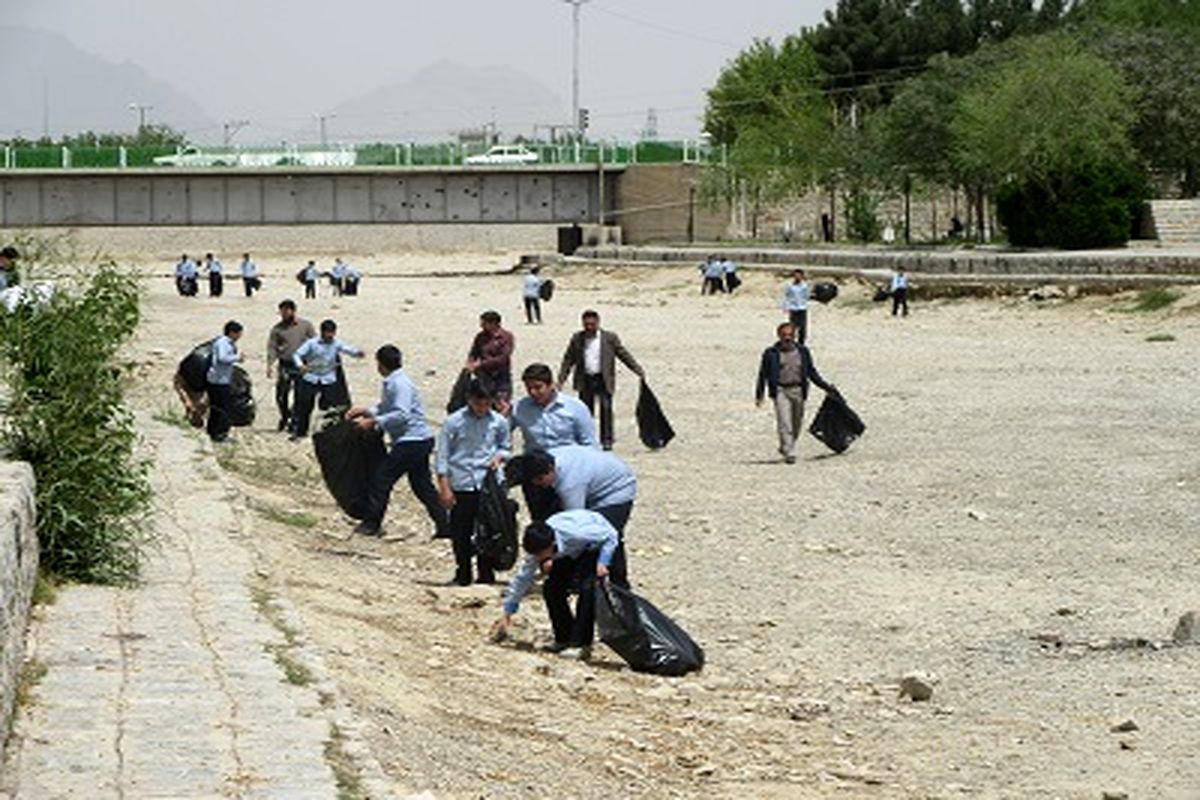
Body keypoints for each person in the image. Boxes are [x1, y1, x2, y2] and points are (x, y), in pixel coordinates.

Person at [346, 345, 448, 538]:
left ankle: (371, 523)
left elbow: (401, 414)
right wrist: (367, 411)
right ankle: (445, 525)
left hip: (411, 440)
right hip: (418, 440)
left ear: (381, 364)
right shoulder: (395, 381)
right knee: (422, 485)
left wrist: (374, 422)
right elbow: (387, 407)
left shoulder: (399, 384)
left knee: (381, 479)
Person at [492, 510, 621, 660]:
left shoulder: (577, 533)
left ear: (551, 544)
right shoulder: (539, 546)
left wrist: (603, 561)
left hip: (594, 546)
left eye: (540, 554)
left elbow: (611, 535)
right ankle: (564, 638)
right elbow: (523, 578)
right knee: (551, 588)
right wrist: (508, 612)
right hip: (568, 552)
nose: (538, 558)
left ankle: (581, 644)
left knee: (587, 591)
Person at [521, 446, 633, 586]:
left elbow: (575, 521)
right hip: (592, 484)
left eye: (540, 479)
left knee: (602, 536)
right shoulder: (546, 463)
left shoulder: (570, 483)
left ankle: (618, 583)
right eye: (533, 481)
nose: (537, 484)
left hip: (616, 490)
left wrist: (552, 557)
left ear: (550, 469)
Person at [436, 380, 512, 585]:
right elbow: (442, 455)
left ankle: (486, 572)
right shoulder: (453, 422)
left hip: (487, 484)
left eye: (486, 404)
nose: (482, 409)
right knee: (460, 531)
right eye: (479, 404)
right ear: (469, 399)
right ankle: (463, 573)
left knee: (488, 529)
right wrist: (444, 486)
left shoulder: (498, 422)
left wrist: (499, 457)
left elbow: (506, 447)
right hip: (461, 483)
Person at [509, 363, 598, 520]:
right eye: (529, 388)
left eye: (538, 387)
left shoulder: (575, 407)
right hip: (536, 474)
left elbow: (589, 443)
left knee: (571, 518)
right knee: (540, 519)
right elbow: (501, 433)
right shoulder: (520, 407)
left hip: (569, 472)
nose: (533, 392)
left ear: (551, 384)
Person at [558, 310, 644, 451]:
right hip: (585, 379)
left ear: (598, 322)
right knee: (585, 412)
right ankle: (587, 439)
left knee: (606, 409)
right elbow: (568, 359)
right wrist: (561, 379)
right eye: (586, 324)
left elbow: (622, 354)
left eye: (592, 324)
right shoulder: (577, 338)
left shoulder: (609, 338)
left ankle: (607, 440)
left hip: (603, 379)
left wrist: (636, 369)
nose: (589, 327)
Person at [755, 322, 835, 464]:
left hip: (798, 390)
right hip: (780, 391)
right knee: (784, 422)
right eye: (784, 335)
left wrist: (826, 387)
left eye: (790, 335)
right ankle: (789, 451)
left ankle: (786, 446)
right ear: (779, 336)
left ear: (795, 336)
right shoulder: (770, 353)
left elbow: (811, 372)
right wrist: (759, 394)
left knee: (796, 423)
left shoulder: (803, 351)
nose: (787, 338)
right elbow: (763, 374)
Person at [291, 319, 364, 439]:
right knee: (305, 406)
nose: (330, 335)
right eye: (327, 332)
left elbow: (347, 348)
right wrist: (300, 366)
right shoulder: (312, 343)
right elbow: (297, 354)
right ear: (322, 332)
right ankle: (301, 432)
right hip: (311, 378)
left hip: (328, 379)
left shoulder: (336, 343)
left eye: (332, 332)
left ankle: (328, 432)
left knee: (330, 408)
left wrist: (357, 353)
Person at [266, 300, 318, 433]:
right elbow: (272, 347)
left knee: (300, 396)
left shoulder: (306, 326)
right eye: (281, 311)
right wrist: (269, 364)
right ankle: (285, 416)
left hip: (301, 365)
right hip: (285, 365)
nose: (283, 314)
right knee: (281, 395)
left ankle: (295, 421)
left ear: (293, 311)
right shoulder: (277, 329)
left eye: (286, 311)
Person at [206, 320, 244, 443]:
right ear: (232, 333)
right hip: (219, 380)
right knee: (222, 408)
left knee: (217, 407)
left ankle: (213, 432)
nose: (239, 337)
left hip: (220, 378)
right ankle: (220, 433)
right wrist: (237, 358)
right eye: (239, 334)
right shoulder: (223, 343)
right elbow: (222, 358)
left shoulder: (226, 342)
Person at [466, 310, 515, 405]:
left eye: (484, 323)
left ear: (494, 323)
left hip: (501, 375)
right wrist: (470, 363)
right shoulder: (480, 336)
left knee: (501, 403)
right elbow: (474, 352)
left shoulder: (506, 337)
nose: (481, 325)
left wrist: (481, 363)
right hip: (484, 375)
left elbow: (503, 358)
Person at [781, 269, 811, 344]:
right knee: (793, 326)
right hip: (793, 308)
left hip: (802, 308)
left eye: (799, 275)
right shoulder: (790, 286)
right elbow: (786, 296)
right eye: (795, 275)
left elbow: (807, 296)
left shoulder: (805, 286)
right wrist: (785, 307)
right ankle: (792, 342)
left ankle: (801, 343)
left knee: (802, 328)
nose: (797, 277)